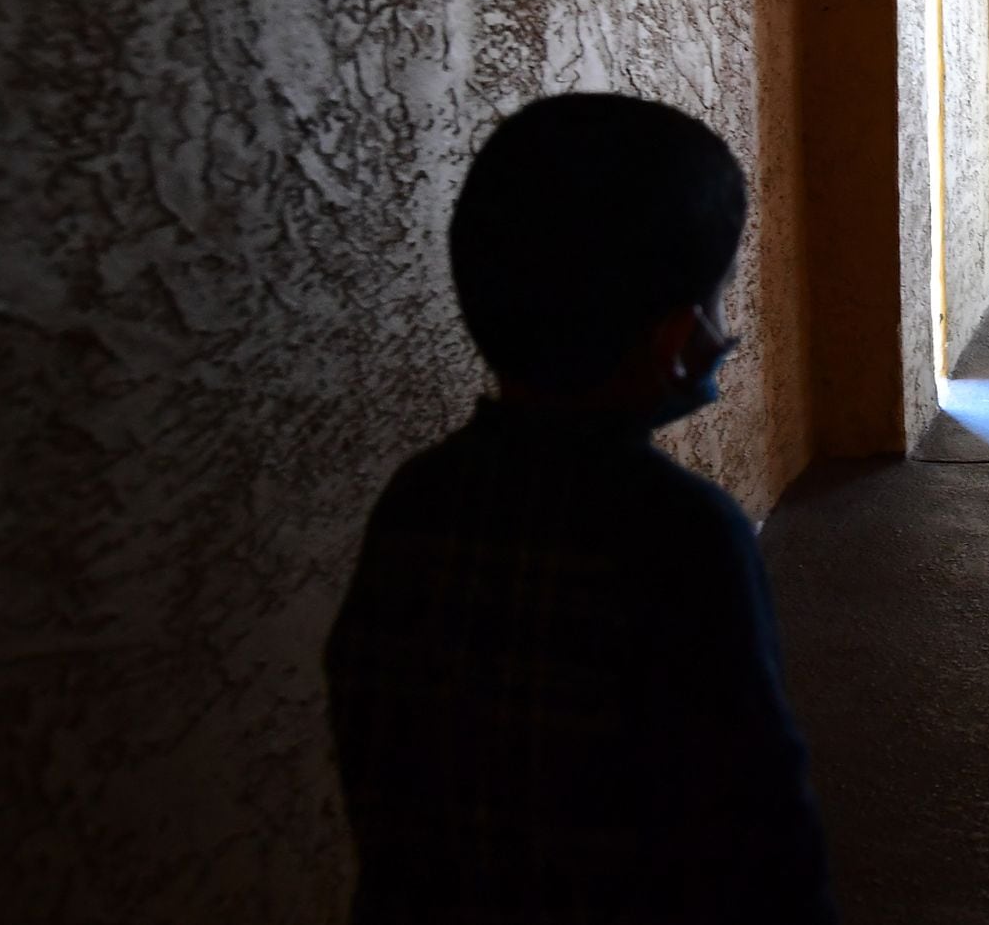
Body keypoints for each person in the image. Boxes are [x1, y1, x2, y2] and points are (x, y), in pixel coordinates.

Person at [324, 94, 837, 925]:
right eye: (720, 298)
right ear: (674, 341)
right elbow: (759, 831)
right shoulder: (683, 535)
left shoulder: (418, 496)